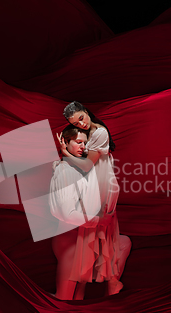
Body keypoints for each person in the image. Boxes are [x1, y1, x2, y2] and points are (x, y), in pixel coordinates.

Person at [55, 101, 132, 299]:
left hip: (101, 188)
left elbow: (88, 165)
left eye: (81, 118)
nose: (81, 124)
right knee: (97, 243)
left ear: (86, 111)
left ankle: (110, 284)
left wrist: (64, 154)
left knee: (101, 240)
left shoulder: (100, 133)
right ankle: (107, 285)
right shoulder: (87, 134)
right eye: (75, 123)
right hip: (95, 188)